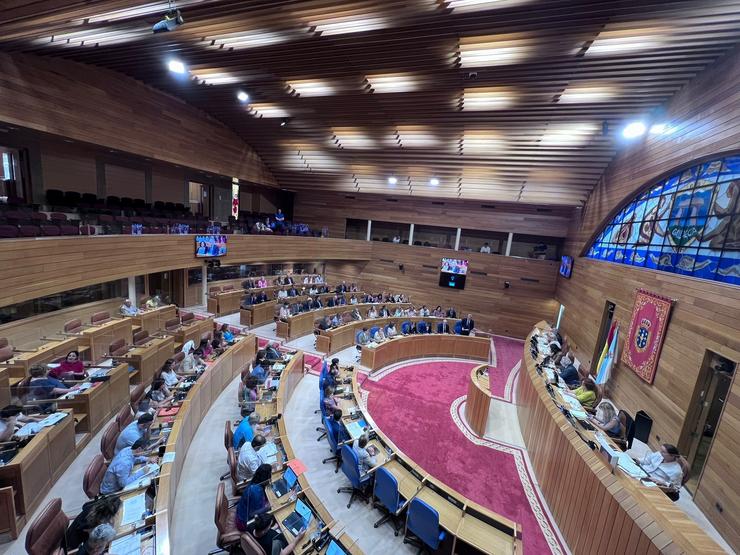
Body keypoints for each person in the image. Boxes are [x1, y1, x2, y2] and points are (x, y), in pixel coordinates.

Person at [235, 463, 272, 532]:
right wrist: (268, 507)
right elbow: (252, 513)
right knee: (272, 517)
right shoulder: (256, 492)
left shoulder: (254, 482)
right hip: (244, 523)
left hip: (241, 513)